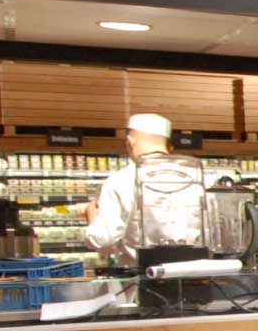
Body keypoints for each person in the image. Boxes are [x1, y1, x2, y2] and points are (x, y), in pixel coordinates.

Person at [83, 113, 210, 269]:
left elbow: (104, 242)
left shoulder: (120, 180)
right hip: (197, 278)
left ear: (130, 142)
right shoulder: (201, 176)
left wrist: (92, 216)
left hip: (140, 283)